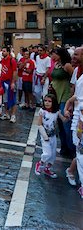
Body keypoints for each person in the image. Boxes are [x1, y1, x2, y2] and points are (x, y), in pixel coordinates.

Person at [65, 46, 83, 199]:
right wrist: (68, 106)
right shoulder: (77, 71)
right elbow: (75, 93)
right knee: (80, 149)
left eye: (76, 55)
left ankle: (71, 171)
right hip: (79, 116)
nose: (73, 57)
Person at [35, 93, 67, 178]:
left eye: (49, 101)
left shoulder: (56, 112)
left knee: (52, 155)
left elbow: (63, 119)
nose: (47, 103)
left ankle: (47, 169)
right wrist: (44, 136)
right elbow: (39, 124)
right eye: (45, 101)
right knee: (47, 153)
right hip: (45, 136)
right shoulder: (42, 112)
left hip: (53, 136)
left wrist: (68, 116)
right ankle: (40, 163)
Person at [50, 47, 75, 158]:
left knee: (66, 124)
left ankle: (71, 148)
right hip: (56, 95)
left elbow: (74, 80)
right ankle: (64, 147)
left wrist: (71, 97)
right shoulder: (56, 65)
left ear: (60, 54)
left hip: (65, 96)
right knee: (59, 124)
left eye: (54, 54)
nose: (52, 56)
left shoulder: (67, 66)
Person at [0, 47, 18, 123]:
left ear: (8, 52)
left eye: (4, 51)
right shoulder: (1, 61)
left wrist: (13, 82)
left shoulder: (12, 60)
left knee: (13, 99)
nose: (2, 52)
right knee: (5, 99)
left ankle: (13, 115)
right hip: (3, 82)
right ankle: (6, 114)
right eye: (2, 51)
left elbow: (15, 72)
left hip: (10, 82)